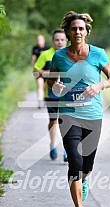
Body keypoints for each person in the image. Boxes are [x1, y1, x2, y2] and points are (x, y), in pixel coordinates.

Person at [48, 11, 110, 207]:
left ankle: (84, 179)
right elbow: (51, 80)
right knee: (75, 163)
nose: (78, 31)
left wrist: (99, 85)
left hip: (92, 117)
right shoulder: (59, 56)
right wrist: (56, 86)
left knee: (86, 166)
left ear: (87, 31)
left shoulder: (98, 54)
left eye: (81, 28)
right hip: (68, 116)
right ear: (68, 32)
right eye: (74, 28)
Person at [33, 29, 68, 161]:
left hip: (67, 94)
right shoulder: (46, 55)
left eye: (62, 40)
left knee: (67, 121)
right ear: (52, 41)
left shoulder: (70, 54)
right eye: (57, 40)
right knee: (54, 121)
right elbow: (35, 71)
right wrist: (48, 74)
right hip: (51, 94)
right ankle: (53, 144)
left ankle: (67, 150)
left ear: (66, 41)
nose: (59, 42)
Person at [31, 34, 50, 108]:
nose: (39, 41)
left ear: (44, 40)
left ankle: (45, 99)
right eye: (38, 40)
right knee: (40, 84)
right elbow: (33, 58)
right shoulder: (35, 48)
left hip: (47, 70)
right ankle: (40, 101)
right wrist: (33, 68)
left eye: (41, 39)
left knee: (45, 86)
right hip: (38, 70)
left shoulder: (48, 48)